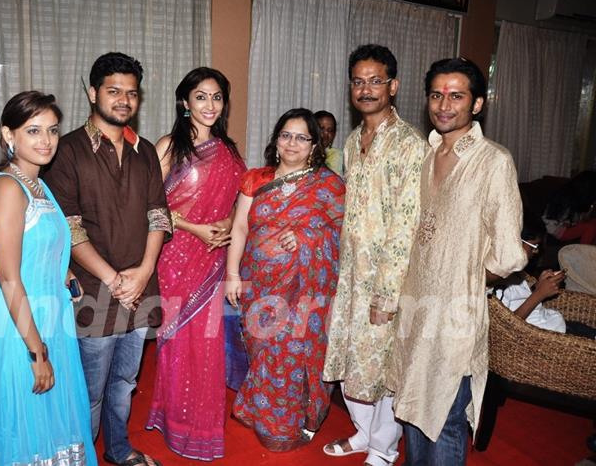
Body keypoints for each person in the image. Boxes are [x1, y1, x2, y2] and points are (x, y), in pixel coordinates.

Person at [386, 58, 527, 465]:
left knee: (446, 415)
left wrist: (462, 279)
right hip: (415, 305)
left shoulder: (492, 162)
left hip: (456, 314)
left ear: (477, 104)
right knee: (412, 406)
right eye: (436, 95)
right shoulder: (427, 155)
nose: (444, 105)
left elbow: (509, 253)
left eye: (456, 96)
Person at [43, 52, 168, 466]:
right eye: (114, 91)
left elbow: (158, 214)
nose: (123, 100)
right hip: (95, 289)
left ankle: (118, 451)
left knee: (125, 382)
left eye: (131, 93)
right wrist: (116, 279)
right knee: (90, 389)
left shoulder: (145, 150)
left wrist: (145, 271)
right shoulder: (66, 151)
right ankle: (80, 458)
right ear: (93, 92)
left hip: (141, 285)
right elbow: (69, 226)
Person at [0, 91, 97, 465]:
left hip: (49, 313)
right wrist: (36, 352)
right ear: (9, 136)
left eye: (53, 131)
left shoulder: (37, 183)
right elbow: (9, 277)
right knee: (27, 421)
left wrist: (66, 272)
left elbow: (40, 243)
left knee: (52, 422)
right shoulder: (8, 188)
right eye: (34, 131)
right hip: (19, 324)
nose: (46, 141)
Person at [321, 44, 428, 466]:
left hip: (388, 282)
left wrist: (387, 294)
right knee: (352, 360)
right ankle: (364, 434)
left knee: (384, 370)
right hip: (351, 277)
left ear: (394, 86)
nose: (366, 89)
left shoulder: (409, 144)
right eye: (358, 82)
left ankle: (383, 449)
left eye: (375, 81)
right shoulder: (350, 140)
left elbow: (406, 223)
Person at [225, 108, 345, 451]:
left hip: (305, 292)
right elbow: (241, 227)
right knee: (263, 350)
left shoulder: (329, 185)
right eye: (286, 135)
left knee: (294, 350)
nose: (292, 143)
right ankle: (261, 410)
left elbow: (346, 234)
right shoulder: (255, 178)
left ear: (314, 145)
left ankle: (293, 422)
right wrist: (232, 274)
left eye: (301, 137)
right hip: (258, 283)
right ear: (276, 140)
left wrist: (309, 237)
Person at [145, 67, 245, 460]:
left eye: (217, 97)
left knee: (208, 345)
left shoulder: (229, 150)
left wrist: (225, 224)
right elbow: (150, 206)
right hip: (176, 257)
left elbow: (239, 202)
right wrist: (196, 227)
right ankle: (176, 422)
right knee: (179, 345)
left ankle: (202, 426)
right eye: (201, 96)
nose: (210, 104)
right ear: (185, 102)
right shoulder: (169, 147)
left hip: (214, 258)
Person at [491, 217, 596, 338]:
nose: (535, 252)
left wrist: (539, 286)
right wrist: (540, 294)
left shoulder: (515, 271)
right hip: (549, 337)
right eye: (533, 247)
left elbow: (519, 298)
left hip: (555, 323)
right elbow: (505, 327)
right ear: (515, 241)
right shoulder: (496, 282)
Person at [542, 170, 596, 245]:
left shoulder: (575, 194)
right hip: (555, 229)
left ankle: (591, 251)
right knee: (590, 227)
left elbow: (578, 219)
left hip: (564, 225)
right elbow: (562, 221)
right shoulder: (566, 196)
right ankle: (582, 252)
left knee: (593, 223)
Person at [315, 110, 342, 176]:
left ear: (334, 134)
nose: (325, 134)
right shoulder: (303, 152)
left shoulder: (338, 156)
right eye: (321, 129)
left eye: (330, 130)